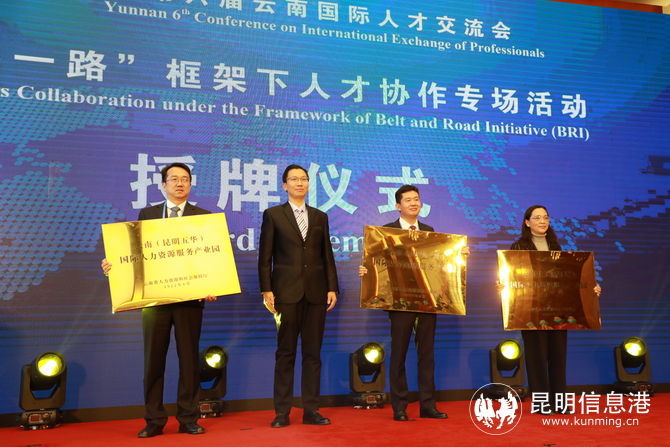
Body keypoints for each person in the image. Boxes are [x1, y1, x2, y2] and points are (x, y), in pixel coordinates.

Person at [101, 163, 216, 438]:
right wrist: (114, 265)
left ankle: (188, 418)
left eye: (185, 179)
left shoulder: (203, 216)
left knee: (189, 361)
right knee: (153, 361)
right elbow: (135, 253)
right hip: (155, 300)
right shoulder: (148, 214)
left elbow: (211, 258)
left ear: (191, 185)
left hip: (190, 299)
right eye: (174, 179)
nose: (180, 183)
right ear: (163, 185)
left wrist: (213, 284)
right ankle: (154, 420)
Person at [359, 185, 469, 422]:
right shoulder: (386, 232)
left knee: (427, 355)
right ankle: (399, 407)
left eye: (416, 199)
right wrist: (366, 270)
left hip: (427, 302)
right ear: (398, 206)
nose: (413, 203)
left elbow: (438, 264)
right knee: (398, 354)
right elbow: (378, 264)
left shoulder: (429, 232)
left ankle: (428, 405)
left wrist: (458, 256)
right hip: (399, 302)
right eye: (408, 200)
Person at [498, 205, 601, 415]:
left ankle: (560, 403)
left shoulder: (556, 246)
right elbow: (514, 277)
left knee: (558, 358)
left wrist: (590, 289)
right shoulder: (519, 247)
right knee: (536, 359)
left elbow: (568, 280)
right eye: (537, 218)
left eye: (545, 217)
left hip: (557, 311)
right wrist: (503, 286)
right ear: (527, 222)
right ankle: (542, 403)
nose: (542, 221)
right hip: (531, 311)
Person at [258, 164, 339, 428]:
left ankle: (311, 410)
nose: (300, 183)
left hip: (316, 293)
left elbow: (327, 255)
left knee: (313, 354)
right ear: (285, 185)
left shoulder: (320, 216)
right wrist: (267, 289)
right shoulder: (273, 215)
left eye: (304, 179)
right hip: (285, 293)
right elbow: (265, 256)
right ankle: (282, 411)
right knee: (286, 353)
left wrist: (332, 287)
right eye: (294, 179)